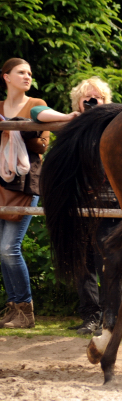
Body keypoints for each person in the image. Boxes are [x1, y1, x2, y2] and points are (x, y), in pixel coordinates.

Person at [33, 76, 114, 335]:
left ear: (105, 101)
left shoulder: (115, 124)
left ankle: (113, 316)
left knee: (111, 260)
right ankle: (90, 316)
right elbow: (35, 111)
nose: (92, 102)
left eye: (97, 98)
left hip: (110, 203)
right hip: (79, 203)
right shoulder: (69, 127)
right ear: (77, 102)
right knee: (82, 262)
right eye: (87, 98)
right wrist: (69, 118)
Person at [0, 58, 49, 329]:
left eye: (30, 72)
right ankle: (13, 308)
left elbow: (42, 145)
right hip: (0, 181)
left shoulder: (36, 104)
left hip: (25, 183)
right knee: (1, 250)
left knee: (9, 248)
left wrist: (20, 128)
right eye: (21, 72)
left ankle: (26, 310)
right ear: (6, 77)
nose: (27, 76)